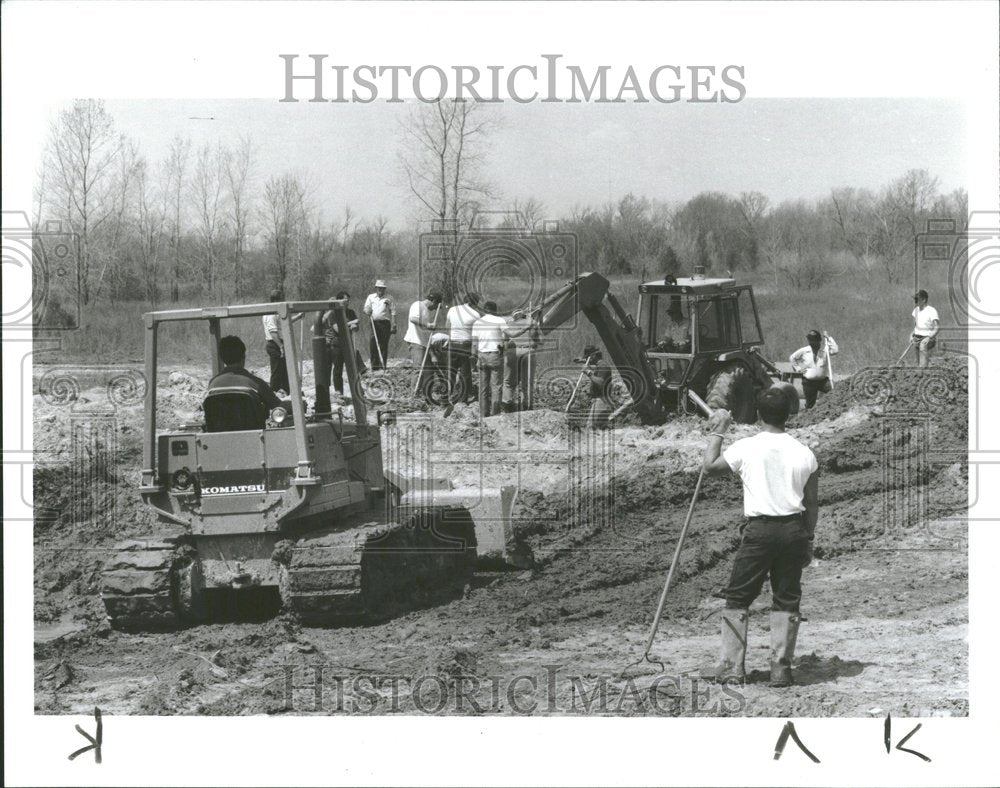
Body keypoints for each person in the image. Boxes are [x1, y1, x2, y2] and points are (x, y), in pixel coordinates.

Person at [699, 387, 820, 687]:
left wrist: (719, 431)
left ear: (757, 415)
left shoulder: (746, 447)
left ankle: (731, 667)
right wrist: (809, 538)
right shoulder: (805, 452)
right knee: (787, 597)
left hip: (760, 531)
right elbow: (813, 503)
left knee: (738, 596)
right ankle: (781, 669)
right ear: (789, 415)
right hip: (794, 531)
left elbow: (709, 467)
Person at [206, 335, 285, 430]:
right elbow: (278, 406)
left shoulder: (212, 384)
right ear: (243, 356)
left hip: (219, 439)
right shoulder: (255, 383)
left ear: (222, 358)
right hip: (253, 438)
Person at [316, 291, 361, 399]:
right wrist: (350, 323)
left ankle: (358, 391)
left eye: (348, 300)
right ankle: (338, 391)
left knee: (354, 368)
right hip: (337, 344)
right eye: (345, 300)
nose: (347, 302)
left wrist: (355, 326)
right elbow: (338, 329)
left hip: (349, 343)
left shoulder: (351, 312)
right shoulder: (334, 314)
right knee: (338, 369)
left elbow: (356, 327)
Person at [404, 292, 444, 395]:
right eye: (436, 306)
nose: (435, 309)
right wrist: (428, 325)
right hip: (416, 341)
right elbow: (413, 319)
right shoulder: (418, 305)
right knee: (418, 369)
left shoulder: (426, 311)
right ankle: (414, 394)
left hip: (423, 343)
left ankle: (425, 392)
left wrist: (432, 354)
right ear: (434, 301)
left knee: (428, 370)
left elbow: (426, 335)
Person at [472, 301, 507, 418]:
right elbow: (507, 336)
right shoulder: (500, 321)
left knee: (483, 387)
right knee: (496, 386)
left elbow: (474, 344)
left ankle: (483, 414)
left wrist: (474, 357)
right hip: (494, 355)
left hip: (481, 356)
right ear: (495, 310)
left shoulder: (477, 322)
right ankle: (495, 414)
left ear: (484, 310)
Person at [502, 307, 542, 411]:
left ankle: (507, 405)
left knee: (508, 381)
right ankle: (527, 406)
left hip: (512, 352)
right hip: (528, 351)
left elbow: (504, 342)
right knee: (527, 382)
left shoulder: (508, 324)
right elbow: (541, 341)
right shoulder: (532, 323)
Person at [446, 293, 482, 405]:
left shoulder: (452, 310)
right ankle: (463, 399)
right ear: (474, 303)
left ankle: (448, 396)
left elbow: (447, 326)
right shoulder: (475, 314)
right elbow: (477, 334)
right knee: (465, 373)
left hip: (452, 343)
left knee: (451, 371)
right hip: (465, 345)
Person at [789, 329, 839, 409]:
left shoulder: (824, 351)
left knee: (836, 391)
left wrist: (828, 338)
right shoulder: (804, 350)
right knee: (810, 405)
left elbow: (835, 350)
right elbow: (792, 358)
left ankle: (832, 409)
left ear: (819, 340)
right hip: (808, 382)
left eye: (814, 341)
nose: (811, 343)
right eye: (810, 341)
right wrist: (798, 368)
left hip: (822, 381)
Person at [574, 344, 612, 430]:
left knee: (591, 428)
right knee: (600, 429)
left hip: (602, 401)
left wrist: (588, 372)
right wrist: (583, 361)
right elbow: (593, 364)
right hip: (602, 401)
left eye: (588, 358)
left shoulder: (603, 366)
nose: (588, 360)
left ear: (593, 356)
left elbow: (601, 382)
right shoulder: (600, 365)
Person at [363, 279, 396, 370]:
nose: (380, 290)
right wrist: (367, 311)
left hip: (385, 324)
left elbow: (393, 312)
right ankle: (375, 367)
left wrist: (394, 324)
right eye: (379, 288)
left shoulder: (389, 298)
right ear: (376, 288)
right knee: (373, 344)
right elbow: (365, 309)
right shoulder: (371, 297)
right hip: (374, 323)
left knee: (383, 345)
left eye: (382, 288)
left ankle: (382, 366)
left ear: (384, 289)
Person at [262, 288, 289, 395]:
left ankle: (286, 390)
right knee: (277, 370)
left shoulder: (277, 312)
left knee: (284, 369)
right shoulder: (270, 313)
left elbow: (283, 324)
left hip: (279, 343)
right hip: (274, 344)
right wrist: (281, 346)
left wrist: (297, 317)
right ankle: (273, 392)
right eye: (282, 299)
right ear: (276, 300)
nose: (284, 301)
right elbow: (273, 333)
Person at [911, 289, 939, 368]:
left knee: (923, 346)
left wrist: (929, 338)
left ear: (923, 300)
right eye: (915, 299)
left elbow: (937, 327)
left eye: (917, 299)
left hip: (928, 338)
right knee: (918, 361)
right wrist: (911, 335)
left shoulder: (932, 311)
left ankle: (923, 370)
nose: (915, 301)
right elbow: (916, 326)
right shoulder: (915, 311)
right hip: (917, 337)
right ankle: (921, 373)